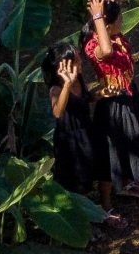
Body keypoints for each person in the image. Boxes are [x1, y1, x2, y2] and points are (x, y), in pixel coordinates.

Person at [83, 0, 139, 200]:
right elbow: (106, 51)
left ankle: (126, 181)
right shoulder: (94, 46)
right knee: (112, 151)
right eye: (119, 19)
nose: (123, 20)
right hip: (113, 103)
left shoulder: (114, 36)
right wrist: (98, 16)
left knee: (130, 141)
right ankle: (106, 204)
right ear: (106, 27)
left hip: (129, 94)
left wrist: (99, 0)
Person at [43, 42, 127, 229]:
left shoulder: (79, 79)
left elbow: (86, 99)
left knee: (103, 167)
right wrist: (66, 84)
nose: (81, 65)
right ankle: (85, 220)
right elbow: (58, 111)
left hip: (88, 131)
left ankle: (106, 207)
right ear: (63, 67)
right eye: (77, 62)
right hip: (70, 142)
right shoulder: (56, 89)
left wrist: (101, 94)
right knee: (78, 182)